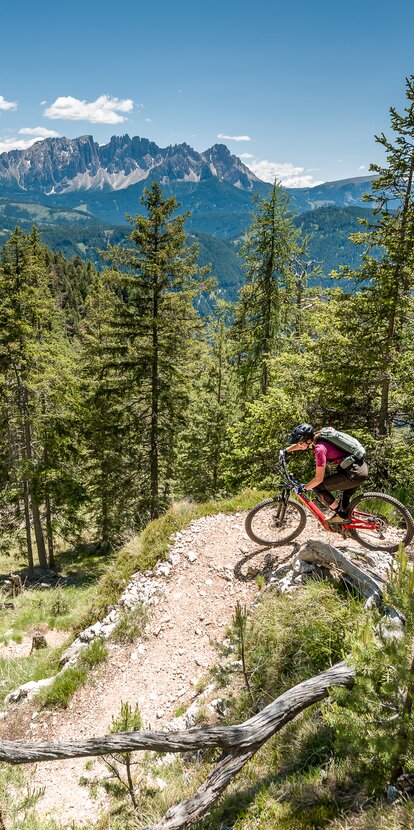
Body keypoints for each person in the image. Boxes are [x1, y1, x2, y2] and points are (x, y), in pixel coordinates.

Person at [285, 423, 368, 523]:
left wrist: (304, 488)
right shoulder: (319, 436)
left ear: (308, 440)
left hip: (353, 474)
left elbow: (318, 479)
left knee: (318, 486)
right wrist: (286, 450)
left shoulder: (319, 449)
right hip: (359, 468)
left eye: (300, 443)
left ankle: (341, 515)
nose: (299, 445)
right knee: (344, 499)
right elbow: (302, 446)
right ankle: (347, 526)